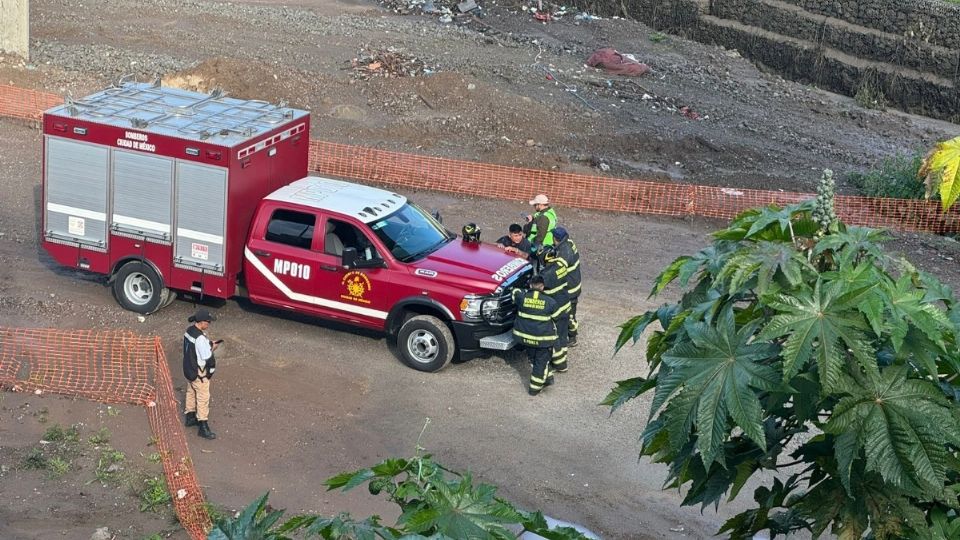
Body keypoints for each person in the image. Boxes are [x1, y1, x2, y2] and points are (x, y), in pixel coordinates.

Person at [512, 275, 558, 396]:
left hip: (525, 339)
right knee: (541, 362)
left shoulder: (522, 297)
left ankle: (548, 378)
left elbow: (515, 292)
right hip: (543, 340)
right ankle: (534, 389)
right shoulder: (550, 302)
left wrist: (522, 290)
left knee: (534, 360)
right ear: (542, 287)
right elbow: (558, 317)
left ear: (531, 285)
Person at [183, 308, 220, 440]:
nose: (209, 324)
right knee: (203, 398)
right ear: (202, 322)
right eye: (208, 322)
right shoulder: (200, 338)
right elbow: (206, 356)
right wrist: (212, 347)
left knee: (191, 393)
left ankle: (190, 417)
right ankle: (203, 427)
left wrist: (207, 343)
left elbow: (194, 349)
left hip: (189, 370)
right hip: (199, 373)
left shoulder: (189, 331)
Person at [539, 246, 571, 373]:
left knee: (554, 337)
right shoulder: (561, 264)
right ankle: (563, 359)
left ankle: (560, 364)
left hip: (555, 310)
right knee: (563, 334)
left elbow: (537, 286)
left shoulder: (546, 274)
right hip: (565, 304)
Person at [553, 227, 581, 347]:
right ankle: (571, 334)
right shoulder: (569, 242)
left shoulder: (564, 252)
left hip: (569, 289)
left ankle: (572, 336)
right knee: (570, 313)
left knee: (569, 314)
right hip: (575, 284)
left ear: (556, 238)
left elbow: (559, 270)